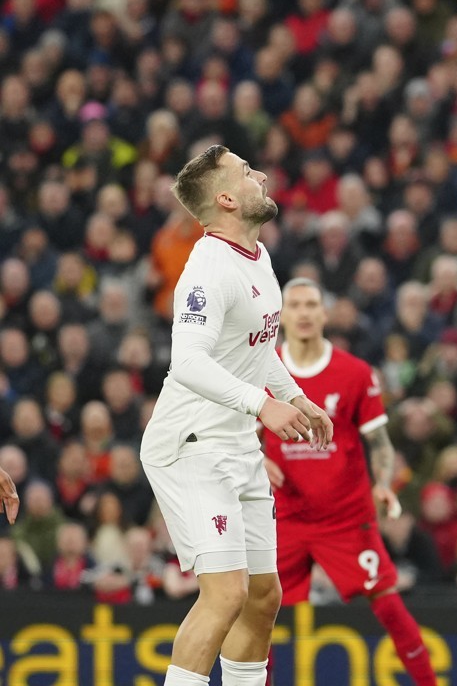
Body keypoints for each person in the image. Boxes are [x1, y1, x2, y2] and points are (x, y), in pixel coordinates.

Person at [139, 144, 334, 686]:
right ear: (226, 198)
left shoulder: (257, 255)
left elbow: (256, 347)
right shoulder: (206, 268)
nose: (262, 175)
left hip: (236, 443)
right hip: (192, 444)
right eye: (248, 173)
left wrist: (293, 396)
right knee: (225, 593)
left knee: (263, 595)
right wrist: (260, 405)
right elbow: (188, 361)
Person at [263, 278, 436, 686]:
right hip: (283, 517)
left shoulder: (356, 373)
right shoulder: (260, 369)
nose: (304, 313)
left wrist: (383, 483)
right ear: (281, 315)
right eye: (295, 305)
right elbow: (235, 433)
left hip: (345, 517)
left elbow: (379, 440)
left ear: (325, 313)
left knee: (389, 605)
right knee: (258, 613)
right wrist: (256, 459)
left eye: (312, 305)